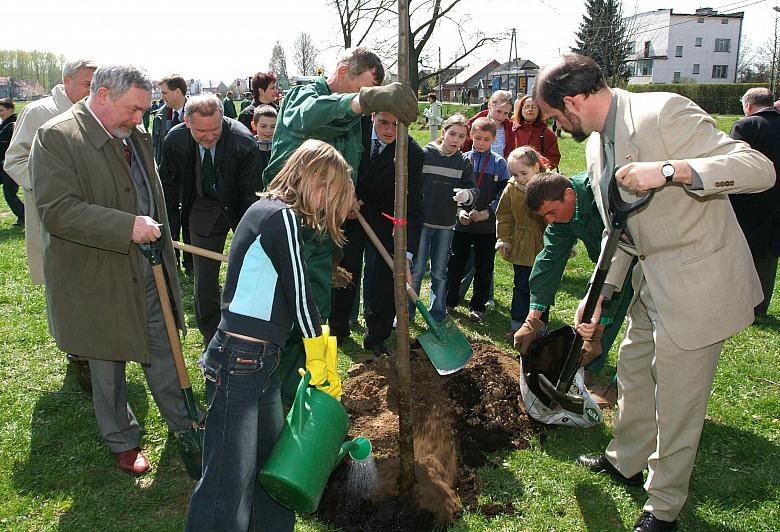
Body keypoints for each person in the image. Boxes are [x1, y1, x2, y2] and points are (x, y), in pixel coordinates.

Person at [535, 53, 775, 531]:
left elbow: (757, 168)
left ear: (572, 102)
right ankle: (625, 458)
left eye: (554, 117)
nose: (556, 127)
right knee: (633, 369)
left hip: (695, 280)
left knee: (680, 397)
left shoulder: (662, 111)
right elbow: (618, 229)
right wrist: (600, 291)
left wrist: (670, 170)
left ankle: (663, 504)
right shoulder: (597, 146)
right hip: (649, 280)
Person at [30, 64, 197, 475]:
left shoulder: (133, 134)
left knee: (163, 347)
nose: (139, 119)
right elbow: (57, 211)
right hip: (97, 274)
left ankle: (185, 424)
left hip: (148, 266)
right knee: (108, 362)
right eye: (133, 109)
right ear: (102, 95)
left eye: (144, 110)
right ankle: (121, 439)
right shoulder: (56, 137)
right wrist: (127, 226)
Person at [185, 139, 351, 532]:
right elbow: (299, 290)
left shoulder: (266, 211)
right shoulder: (281, 218)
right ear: (316, 180)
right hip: (240, 360)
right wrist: (320, 357)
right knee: (229, 481)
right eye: (333, 197)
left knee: (267, 467)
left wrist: (321, 350)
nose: (328, 209)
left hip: (258, 360)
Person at [261, 46, 417, 407]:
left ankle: (302, 389)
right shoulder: (307, 94)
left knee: (317, 307)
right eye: (364, 88)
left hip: (325, 227)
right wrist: (364, 101)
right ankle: (277, 396)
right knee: (288, 308)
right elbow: (310, 117)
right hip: (290, 222)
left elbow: (346, 165)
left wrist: (347, 197)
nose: (367, 101)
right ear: (344, 71)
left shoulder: (355, 117)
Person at [4, 57, 97, 392]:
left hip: (95, 216)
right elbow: (15, 159)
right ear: (67, 80)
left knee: (94, 283)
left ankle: (100, 349)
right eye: (87, 82)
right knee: (65, 286)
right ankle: (78, 356)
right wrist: (53, 188)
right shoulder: (40, 112)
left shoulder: (97, 112)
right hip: (55, 216)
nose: (92, 88)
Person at [518, 171, 636, 409]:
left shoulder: (602, 197)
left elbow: (619, 255)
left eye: (551, 212)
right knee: (596, 309)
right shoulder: (563, 214)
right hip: (609, 265)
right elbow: (550, 260)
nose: (549, 220)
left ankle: (619, 387)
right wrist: (532, 320)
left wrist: (598, 334)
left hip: (643, 258)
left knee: (639, 326)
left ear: (569, 195)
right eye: (544, 216)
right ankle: (586, 370)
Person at [159, 94, 261, 346]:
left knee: (250, 268)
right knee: (204, 274)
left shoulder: (243, 141)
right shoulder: (175, 140)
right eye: (201, 131)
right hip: (202, 205)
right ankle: (211, 332)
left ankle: (247, 326)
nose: (208, 137)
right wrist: (167, 232)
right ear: (187, 122)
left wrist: (253, 234)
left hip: (238, 204)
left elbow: (251, 195)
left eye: (215, 130)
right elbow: (167, 189)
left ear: (223, 119)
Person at [329, 112, 424, 356]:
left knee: (382, 274)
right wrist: (344, 200)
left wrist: (408, 252)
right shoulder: (353, 133)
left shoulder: (411, 152)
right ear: (373, 116)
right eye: (384, 122)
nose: (390, 130)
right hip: (348, 213)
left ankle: (377, 335)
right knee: (344, 269)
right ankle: (337, 328)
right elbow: (334, 169)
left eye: (397, 124)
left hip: (384, 218)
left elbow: (413, 202)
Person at [410, 114, 477, 323]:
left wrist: (467, 196)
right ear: (443, 133)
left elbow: (473, 189)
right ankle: (407, 313)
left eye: (461, 136)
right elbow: (412, 186)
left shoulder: (463, 162)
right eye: (452, 134)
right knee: (417, 271)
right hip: (423, 223)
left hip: (446, 225)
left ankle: (437, 314)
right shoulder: (425, 155)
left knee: (439, 272)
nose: (456, 140)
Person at [446, 116, 509, 322]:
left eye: (486, 139)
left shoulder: (500, 164)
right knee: (455, 264)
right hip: (462, 224)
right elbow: (451, 191)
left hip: (487, 227)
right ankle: (449, 301)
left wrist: (487, 212)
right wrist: (459, 211)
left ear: (494, 140)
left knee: (484, 267)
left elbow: (503, 195)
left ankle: (478, 306)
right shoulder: (463, 159)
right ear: (471, 135)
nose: (481, 143)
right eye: (478, 138)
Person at [729, 87, 780, 318]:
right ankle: (759, 308)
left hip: (749, 201)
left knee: (740, 256)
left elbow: (732, 164)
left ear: (748, 105)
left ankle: (737, 305)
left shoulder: (746, 126)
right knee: (768, 259)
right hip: (777, 205)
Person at [495, 146, 549, 332]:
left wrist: (567, 244)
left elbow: (561, 218)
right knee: (521, 284)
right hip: (521, 243)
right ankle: (518, 323)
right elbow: (504, 215)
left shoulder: (549, 187)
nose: (520, 178)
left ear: (536, 167)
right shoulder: (512, 188)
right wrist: (504, 239)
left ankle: (540, 326)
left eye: (524, 173)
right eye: (515, 174)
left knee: (542, 285)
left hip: (544, 243)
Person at [153, 75, 192, 274]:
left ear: (178, 92)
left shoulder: (196, 112)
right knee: (170, 218)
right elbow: (155, 146)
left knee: (190, 217)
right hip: (168, 177)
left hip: (191, 176)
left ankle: (191, 262)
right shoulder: (160, 116)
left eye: (165, 92)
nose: (162, 97)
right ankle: (173, 259)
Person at [462, 90, 515, 158]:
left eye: (505, 113)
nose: (501, 116)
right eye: (498, 111)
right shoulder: (472, 124)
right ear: (490, 105)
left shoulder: (510, 128)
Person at [512, 94, 561, 169]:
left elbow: (553, 157)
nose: (530, 109)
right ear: (521, 110)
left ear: (539, 110)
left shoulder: (547, 133)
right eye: (526, 107)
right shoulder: (512, 130)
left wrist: (539, 169)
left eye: (534, 107)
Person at [0, 99, 23, 226]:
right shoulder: (4, 124)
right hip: (2, 166)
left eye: (2, 110)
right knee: (10, 193)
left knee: (10, 194)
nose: (0, 113)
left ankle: (24, 216)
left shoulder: (14, 125)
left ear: (10, 109)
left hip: (10, 165)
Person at [252, 104, 278, 175]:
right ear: (254, 126)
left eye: (273, 127)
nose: (268, 131)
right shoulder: (248, 150)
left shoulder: (280, 150)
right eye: (263, 126)